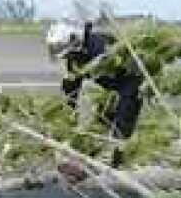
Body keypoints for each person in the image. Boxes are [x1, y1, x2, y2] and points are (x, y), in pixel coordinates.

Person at [45, 20, 143, 168]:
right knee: (102, 121)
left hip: (129, 83)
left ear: (73, 40)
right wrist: (68, 112)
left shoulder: (101, 48)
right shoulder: (76, 55)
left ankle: (117, 160)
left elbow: (128, 77)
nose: (64, 56)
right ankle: (94, 154)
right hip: (108, 88)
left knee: (122, 120)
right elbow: (72, 83)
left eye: (60, 48)